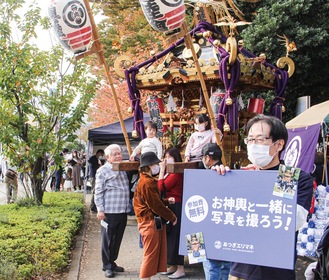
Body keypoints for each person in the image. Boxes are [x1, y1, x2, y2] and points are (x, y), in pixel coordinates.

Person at [226, 114, 314, 280]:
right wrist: (219, 180)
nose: (253, 145)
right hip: (239, 269)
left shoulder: (294, 177)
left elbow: (293, 220)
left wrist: (261, 182)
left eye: (260, 139)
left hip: (275, 271)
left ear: (279, 144)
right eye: (250, 140)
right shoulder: (240, 178)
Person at [133, 151, 177, 280]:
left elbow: (153, 202)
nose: (157, 166)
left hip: (149, 221)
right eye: (155, 164)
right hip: (149, 222)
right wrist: (172, 216)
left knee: (151, 254)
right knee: (150, 255)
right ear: (149, 165)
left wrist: (166, 201)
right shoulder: (147, 182)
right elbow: (155, 206)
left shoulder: (146, 181)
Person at [94, 144, 131, 278]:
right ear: (108, 157)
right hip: (109, 211)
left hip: (123, 210)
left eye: (119, 153)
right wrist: (100, 210)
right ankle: (107, 266)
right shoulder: (103, 170)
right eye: (115, 154)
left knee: (117, 239)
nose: (118, 156)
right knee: (108, 239)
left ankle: (112, 262)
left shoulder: (123, 168)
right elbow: (98, 191)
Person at [200, 143, 231, 280]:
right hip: (228, 233)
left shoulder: (203, 178)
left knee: (211, 267)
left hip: (207, 231)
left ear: (207, 158)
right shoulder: (232, 174)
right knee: (225, 266)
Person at [158, 147, 186, 279]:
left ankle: (181, 268)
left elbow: (161, 187)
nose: (167, 159)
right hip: (171, 205)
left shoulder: (176, 172)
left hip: (177, 206)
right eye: (166, 156)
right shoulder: (171, 171)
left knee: (176, 237)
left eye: (170, 157)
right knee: (170, 237)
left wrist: (162, 171)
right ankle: (173, 266)